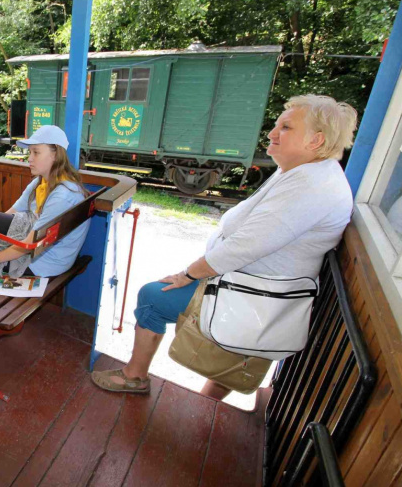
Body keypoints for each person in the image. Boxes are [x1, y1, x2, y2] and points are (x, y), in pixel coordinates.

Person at [91, 94, 358, 399]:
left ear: (315, 140)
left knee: (152, 297)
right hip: (252, 288)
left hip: (254, 298)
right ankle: (208, 404)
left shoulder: (311, 187)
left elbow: (243, 247)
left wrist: (188, 274)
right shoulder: (307, 174)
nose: (272, 134)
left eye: (285, 127)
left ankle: (134, 377)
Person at [0, 125, 91, 323]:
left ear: (55, 155)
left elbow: (30, 246)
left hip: (48, 261)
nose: (29, 158)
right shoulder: (41, 182)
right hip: (39, 243)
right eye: (29, 152)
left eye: (35, 152)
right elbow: (9, 214)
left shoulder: (63, 195)